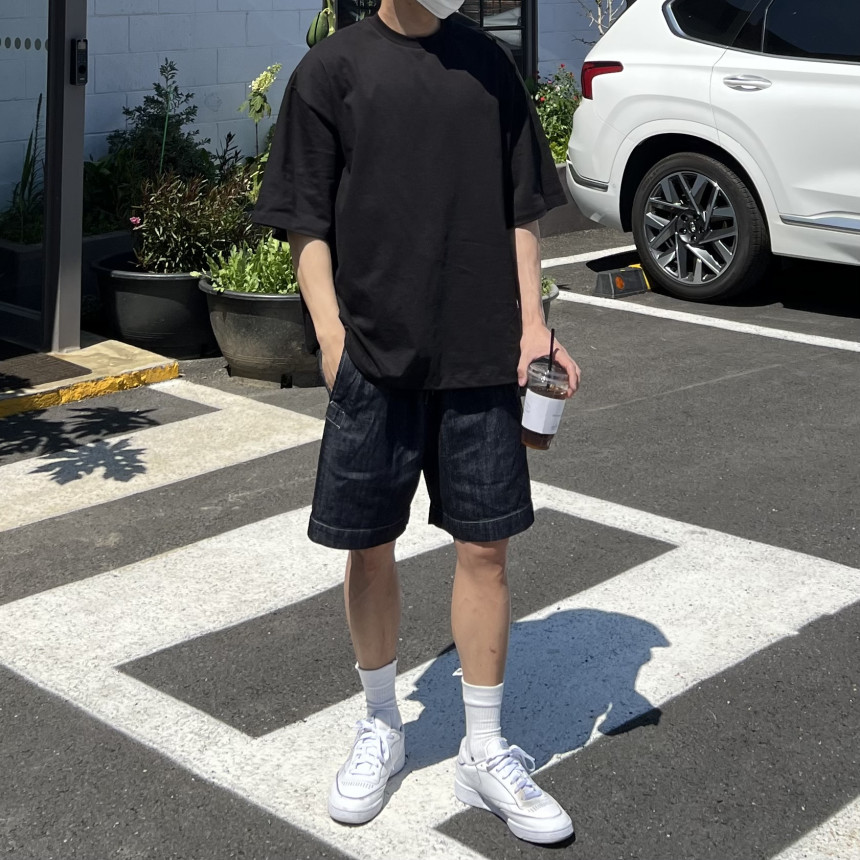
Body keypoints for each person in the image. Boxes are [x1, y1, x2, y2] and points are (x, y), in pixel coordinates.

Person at [253, 0, 581, 845]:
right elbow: (305, 218)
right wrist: (332, 338)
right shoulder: (331, 71)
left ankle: (484, 747)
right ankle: (381, 724)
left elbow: (520, 210)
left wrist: (533, 327)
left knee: (486, 550)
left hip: (480, 352)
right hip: (372, 354)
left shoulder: (489, 66)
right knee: (369, 547)